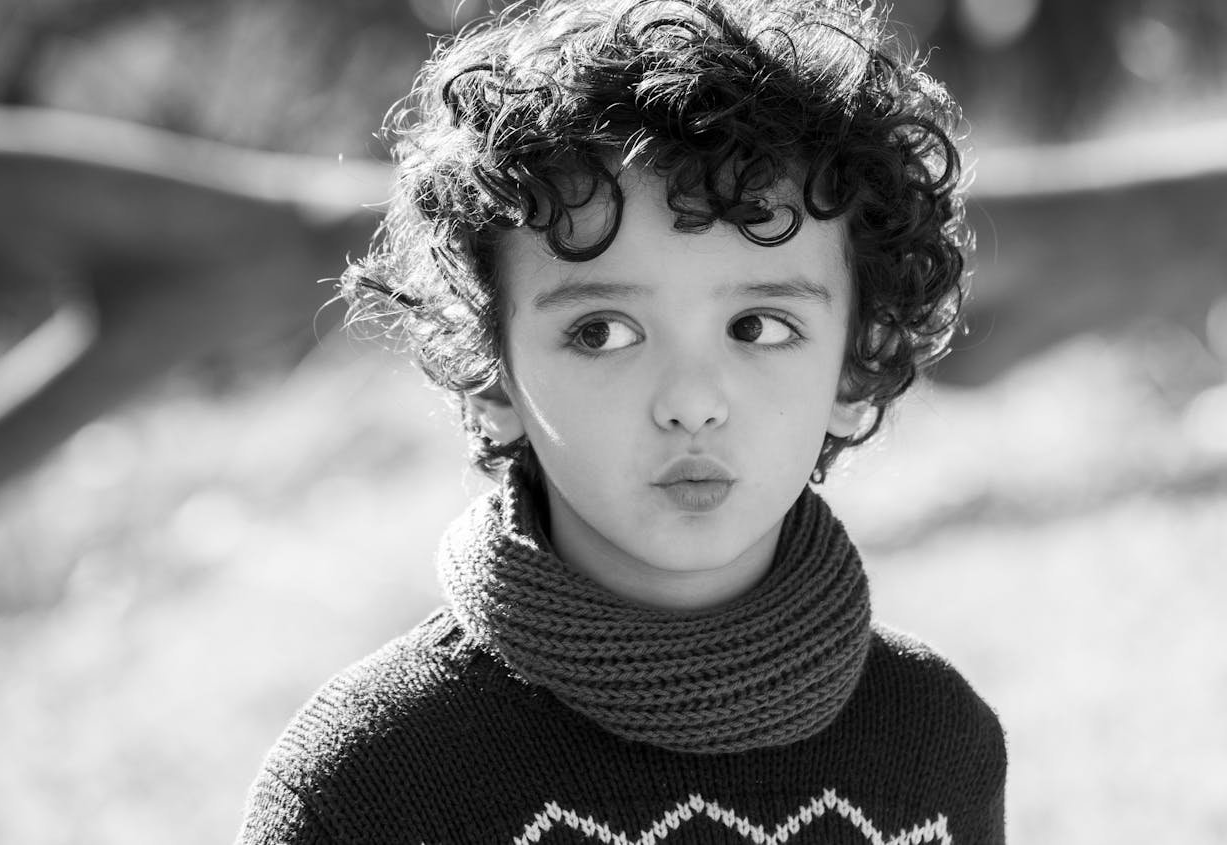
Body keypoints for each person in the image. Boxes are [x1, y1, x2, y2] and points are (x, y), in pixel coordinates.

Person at [236, 0, 1006, 841]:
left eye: (759, 326)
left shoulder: (936, 742)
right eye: (601, 332)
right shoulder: (367, 784)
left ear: (856, 366)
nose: (690, 400)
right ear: (491, 377)